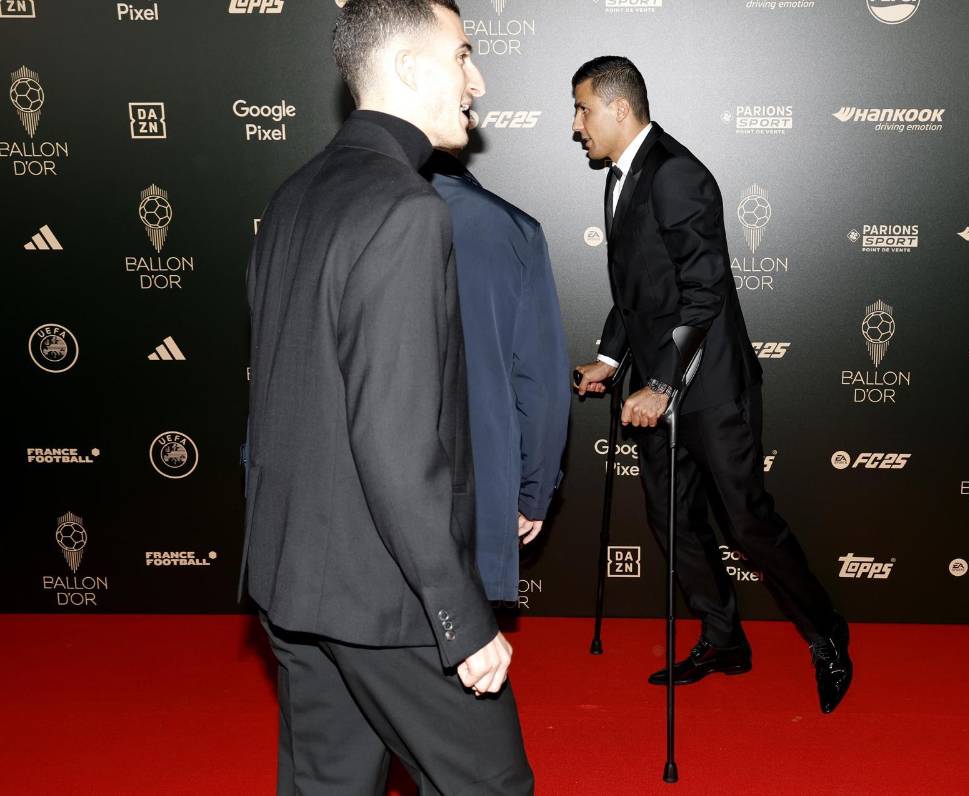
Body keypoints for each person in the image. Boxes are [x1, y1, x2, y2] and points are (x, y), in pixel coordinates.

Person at [241, 1, 532, 793]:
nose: (477, 79)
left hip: (291, 579)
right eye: (463, 56)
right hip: (386, 600)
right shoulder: (407, 211)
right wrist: (461, 620)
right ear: (409, 68)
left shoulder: (296, 193)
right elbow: (396, 443)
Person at [569, 56, 853, 714]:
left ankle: (827, 634)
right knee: (674, 521)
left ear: (618, 108)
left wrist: (660, 385)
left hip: (711, 390)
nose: (575, 124)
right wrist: (611, 362)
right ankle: (725, 640)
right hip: (658, 389)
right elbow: (643, 294)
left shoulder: (677, 175)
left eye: (582, 109)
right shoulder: (624, 176)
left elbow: (704, 296)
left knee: (748, 524)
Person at [422, 143, 569, 601]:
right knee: (466, 643)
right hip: (476, 479)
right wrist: (533, 490)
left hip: (357, 485)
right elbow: (541, 384)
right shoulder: (510, 229)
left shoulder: (337, 209)